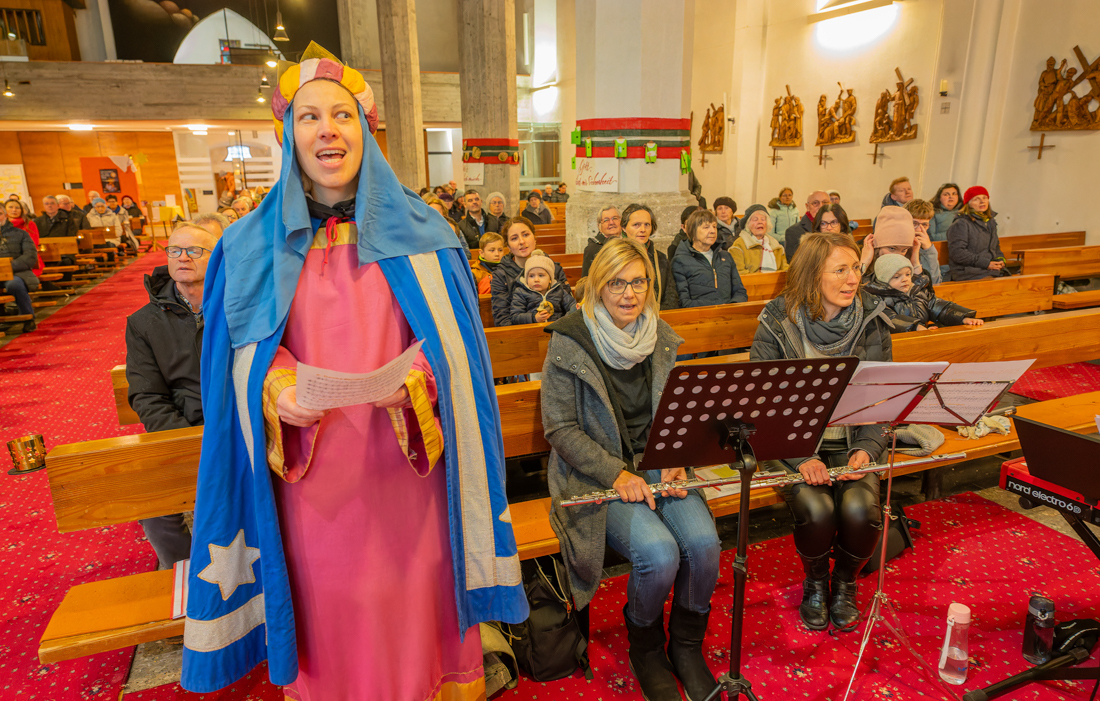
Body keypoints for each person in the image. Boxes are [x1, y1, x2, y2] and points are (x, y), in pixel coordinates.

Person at [181, 44, 526, 698]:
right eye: (309, 117)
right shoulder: (246, 245)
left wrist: (419, 377)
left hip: (409, 472)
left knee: (413, 608)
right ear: (289, 134)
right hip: (313, 482)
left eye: (342, 115)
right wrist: (276, 385)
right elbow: (237, 363)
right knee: (332, 617)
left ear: (365, 129)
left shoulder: (428, 233)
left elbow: (457, 353)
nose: (327, 130)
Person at [543, 237, 720, 701]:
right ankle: (646, 648)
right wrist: (616, 474)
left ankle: (686, 646)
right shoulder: (570, 340)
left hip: (659, 465)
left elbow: (679, 411)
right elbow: (559, 428)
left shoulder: (659, 335)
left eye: (638, 282)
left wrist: (676, 456)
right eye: (617, 283)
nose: (629, 293)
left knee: (704, 545)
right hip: (597, 474)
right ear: (597, 286)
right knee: (658, 554)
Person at [749, 232, 893, 632]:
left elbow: (883, 398)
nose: (853, 279)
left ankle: (844, 583)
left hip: (853, 442)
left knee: (861, 510)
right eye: (840, 270)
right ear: (813, 275)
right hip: (793, 446)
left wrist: (867, 448)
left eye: (856, 269)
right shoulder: (777, 321)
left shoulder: (872, 319)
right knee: (818, 511)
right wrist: (802, 457)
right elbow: (761, 405)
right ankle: (815, 582)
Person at [125, 224, 218, 568]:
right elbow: (147, 396)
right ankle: (182, 570)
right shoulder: (144, 322)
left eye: (194, 251)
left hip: (239, 427)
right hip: (183, 431)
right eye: (175, 250)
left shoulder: (238, 306)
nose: (182, 257)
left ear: (217, 256)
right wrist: (186, 442)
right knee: (153, 503)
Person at [865, 254, 982, 332]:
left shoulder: (917, 291)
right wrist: (916, 327)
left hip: (920, 335)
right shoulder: (877, 298)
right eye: (896, 277)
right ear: (884, 280)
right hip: (896, 344)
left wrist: (962, 318)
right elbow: (891, 319)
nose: (905, 279)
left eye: (907, 274)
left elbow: (938, 307)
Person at [490, 216, 571, 327]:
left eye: (525, 235)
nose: (522, 241)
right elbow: (502, 319)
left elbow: (568, 308)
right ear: (508, 246)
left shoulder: (554, 268)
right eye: (514, 238)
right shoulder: (501, 275)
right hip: (521, 333)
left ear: (534, 238)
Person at [671, 209, 747, 309]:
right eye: (706, 227)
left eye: (714, 226)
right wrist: (718, 306)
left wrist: (730, 308)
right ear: (693, 231)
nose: (712, 231)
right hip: (699, 315)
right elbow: (684, 302)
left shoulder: (725, 256)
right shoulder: (680, 261)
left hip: (729, 313)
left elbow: (740, 291)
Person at [620, 203, 678, 310]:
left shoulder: (660, 259)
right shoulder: (613, 257)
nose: (643, 229)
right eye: (636, 225)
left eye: (647, 225)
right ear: (624, 227)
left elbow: (671, 296)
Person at [947, 186, 1007, 281]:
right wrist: (986, 263)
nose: (982, 201)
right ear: (968, 204)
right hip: (968, 273)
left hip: (988, 270)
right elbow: (958, 253)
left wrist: (1000, 260)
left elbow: (995, 247)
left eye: (984, 198)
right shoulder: (961, 224)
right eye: (976, 199)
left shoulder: (990, 222)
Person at [509, 249, 577, 325]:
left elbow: (572, 306)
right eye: (531, 276)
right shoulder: (521, 292)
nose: (536, 280)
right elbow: (515, 317)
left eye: (541, 275)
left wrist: (565, 319)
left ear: (550, 279)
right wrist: (534, 318)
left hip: (556, 328)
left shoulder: (558, 290)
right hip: (533, 329)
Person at [0, 204, 39, 330]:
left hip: (16, 273)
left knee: (14, 284)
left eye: (0, 214)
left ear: (5, 215)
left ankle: (28, 317)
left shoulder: (21, 234)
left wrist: (8, 267)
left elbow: (30, 256)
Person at [731, 203, 789, 273]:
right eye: (755, 219)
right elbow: (739, 273)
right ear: (748, 224)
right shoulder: (739, 245)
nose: (760, 222)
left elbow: (785, 269)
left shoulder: (776, 246)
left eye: (763, 219)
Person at [904, 199, 942, 285]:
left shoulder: (926, 247)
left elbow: (935, 283)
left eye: (924, 225)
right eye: (914, 223)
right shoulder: (897, 245)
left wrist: (929, 251)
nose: (919, 229)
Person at [784, 190, 830, 261]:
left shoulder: (837, 227)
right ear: (807, 206)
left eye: (825, 203)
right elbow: (794, 263)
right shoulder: (793, 232)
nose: (821, 206)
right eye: (815, 203)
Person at [6, 200, 43, 279]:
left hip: (26, 257)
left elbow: (34, 243)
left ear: (21, 210)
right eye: (10, 207)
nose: (14, 210)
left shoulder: (29, 224)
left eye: (17, 208)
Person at [582, 206, 621, 275]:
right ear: (599, 226)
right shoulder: (592, 249)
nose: (611, 222)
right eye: (606, 220)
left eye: (615, 218)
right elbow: (586, 278)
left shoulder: (628, 243)